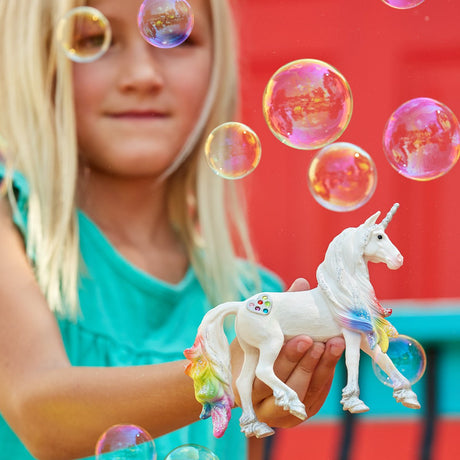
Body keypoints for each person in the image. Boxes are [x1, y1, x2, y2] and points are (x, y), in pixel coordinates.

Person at [0, 0, 345, 459]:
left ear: (216, 65)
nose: (143, 75)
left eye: (173, 37)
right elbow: (40, 413)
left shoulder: (244, 296)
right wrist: (224, 373)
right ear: (36, 58)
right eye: (94, 40)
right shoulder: (10, 224)